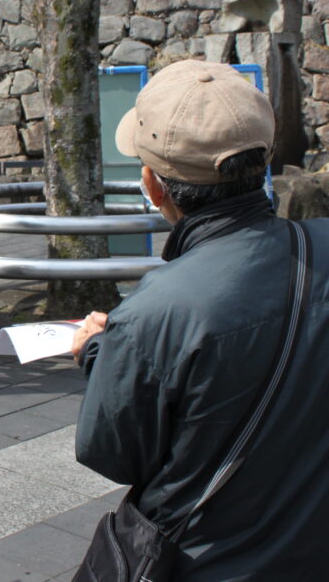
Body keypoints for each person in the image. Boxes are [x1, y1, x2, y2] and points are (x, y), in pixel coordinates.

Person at [70, 60, 329, 577]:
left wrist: (98, 353)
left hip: (210, 558)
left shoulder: (154, 313)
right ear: (263, 159)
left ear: (152, 184)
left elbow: (116, 456)